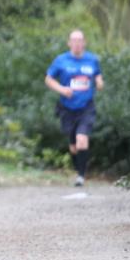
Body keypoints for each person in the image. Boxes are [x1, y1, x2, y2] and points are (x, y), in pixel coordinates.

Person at [44, 30, 104, 187]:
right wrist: (62, 90)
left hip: (86, 107)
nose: (77, 43)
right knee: (73, 146)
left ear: (84, 42)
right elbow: (48, 79)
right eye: (74, 40)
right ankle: (79, 169)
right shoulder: (61, 60)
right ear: (69, 43)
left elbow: (97, 75)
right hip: (67, 108)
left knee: (82, 140)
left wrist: (99, 82)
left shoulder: (92, 60)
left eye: (80, 40)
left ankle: (81, 177)